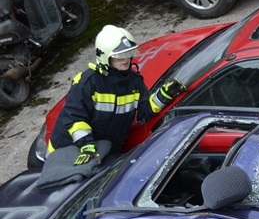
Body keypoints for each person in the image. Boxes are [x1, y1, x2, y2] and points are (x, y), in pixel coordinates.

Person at [49, 24, 186, 165]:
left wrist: (163, 96)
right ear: (105, 57)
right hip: (67, 150)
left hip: (107, 152)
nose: (126, 59)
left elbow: (145, 112)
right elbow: (74, 117)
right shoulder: (88, 82)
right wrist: (86, 144)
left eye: (128, 53)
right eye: (120, 56)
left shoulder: (134, 82)